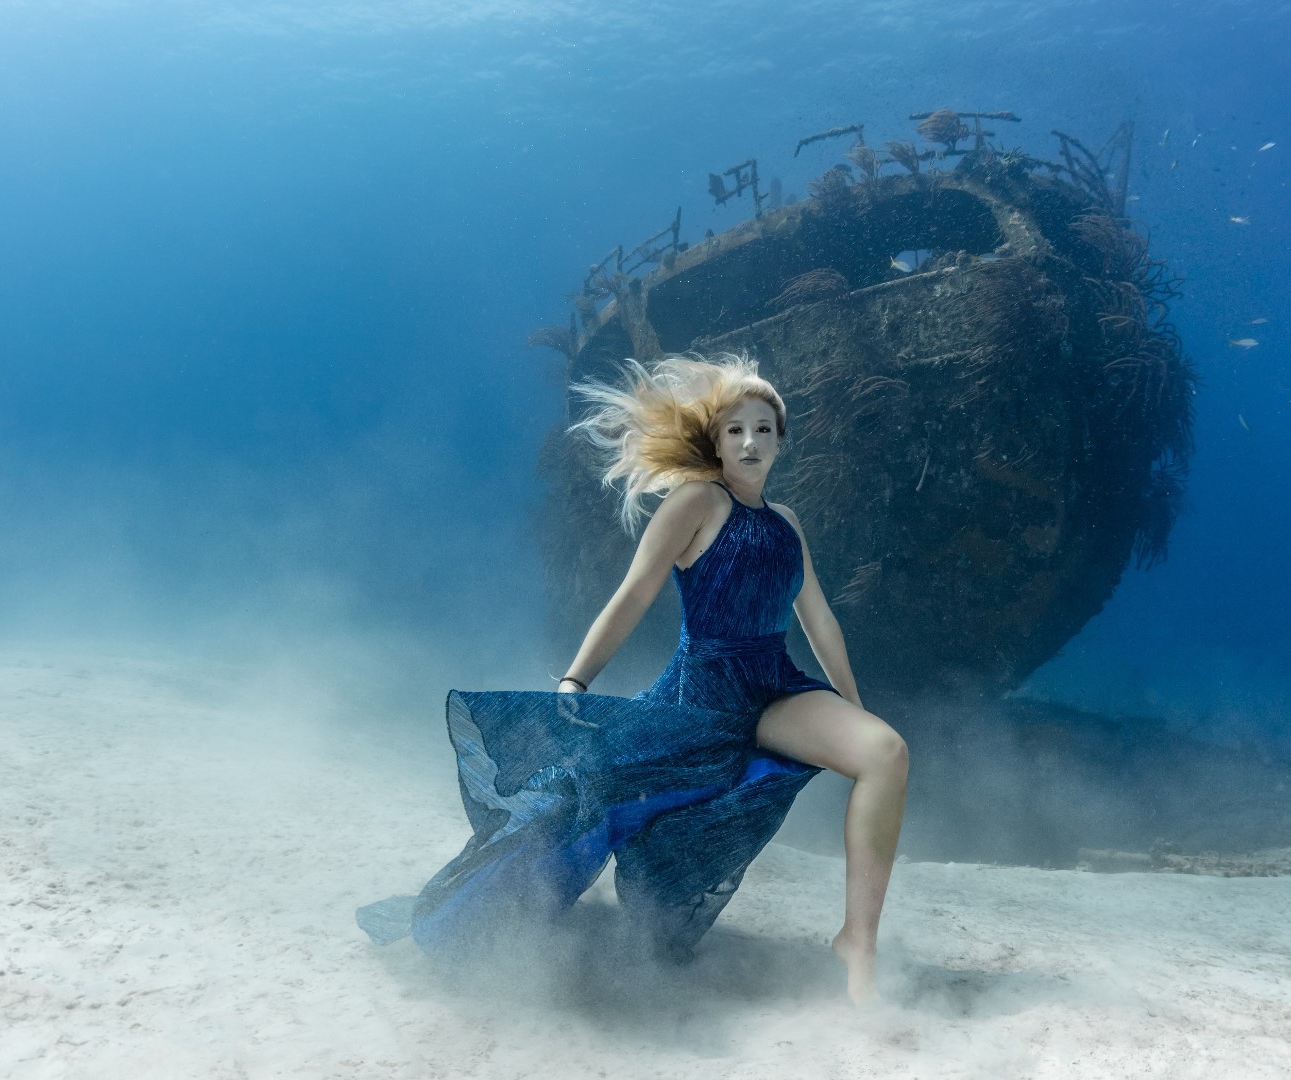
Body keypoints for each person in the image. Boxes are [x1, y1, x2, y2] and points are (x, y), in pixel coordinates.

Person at [357, 352, 907, 1003]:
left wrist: (854, 706)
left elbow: (819, 618)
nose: (751, 440)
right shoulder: (697, 501)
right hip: (699, 699)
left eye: (764, 428)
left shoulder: (787, 523)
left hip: (774, 689)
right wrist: (574, 683)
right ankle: (470, 923)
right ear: (715, 441)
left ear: (781, 440)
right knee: (575, 793)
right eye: (736, 429)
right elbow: (631, 596)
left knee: (886, 752)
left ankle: (857, 942)